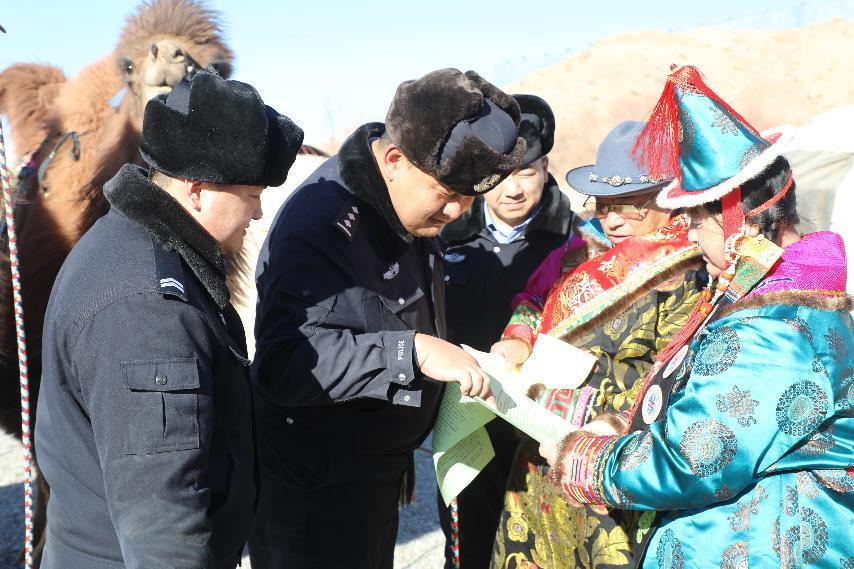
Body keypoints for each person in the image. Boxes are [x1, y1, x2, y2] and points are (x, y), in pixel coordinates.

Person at [544, 65, 853, 568]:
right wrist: (624, 424)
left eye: (696, 222)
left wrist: (586, 461)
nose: (688, 236)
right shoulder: (763, 297)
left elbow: (697, 458)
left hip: (768, 545)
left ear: (737, 221)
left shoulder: (778, 330)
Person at [248, 68, 525, 569]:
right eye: (447, 194)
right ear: (394, 159)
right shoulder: (322, 228)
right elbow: (285, 363)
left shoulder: (407, 201)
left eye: (469, 199)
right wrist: (411, 350)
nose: (458, 212)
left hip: (373, 471)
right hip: (316, 490)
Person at [34, 70, 303, 568]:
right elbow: (162, 519)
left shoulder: (131, 242)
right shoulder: (147, 310)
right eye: (250, 193)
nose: (259, 212)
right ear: (196, 190)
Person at [490, 121, 705, 569]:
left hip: (610, 453)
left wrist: (601, 412)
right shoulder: (582, 246)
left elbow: (675, 372)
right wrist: (517, 338)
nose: (611, 220)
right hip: (539, 448)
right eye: (604, 205)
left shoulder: (691, 267)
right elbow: (533, 300)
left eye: (629, 208)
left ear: (667, 198)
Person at [437, 94, 573, 568]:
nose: (512, 190)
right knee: (468, 546)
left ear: (547, 167)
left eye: (527, 172)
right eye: (500, 176)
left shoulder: (578, 244)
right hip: (465, 422)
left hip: (540, 430)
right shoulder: (444, 235)